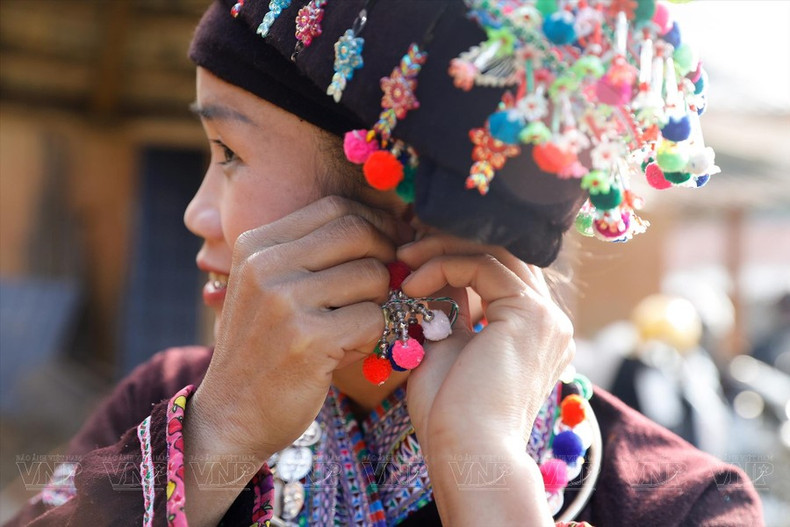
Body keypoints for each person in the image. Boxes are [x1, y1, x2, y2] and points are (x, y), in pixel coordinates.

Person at [7, 0, 762, 525]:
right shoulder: (174, 399)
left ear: (404, 207)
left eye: (230, 154)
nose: (194, 213)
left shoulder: (682, 503)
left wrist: (486, 473)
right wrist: (222, 434)